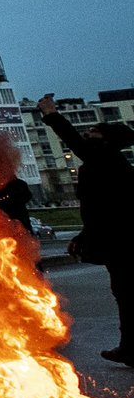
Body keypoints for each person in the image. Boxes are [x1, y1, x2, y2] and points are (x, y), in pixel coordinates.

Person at [39, 95, 132, 365]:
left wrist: (51, 113)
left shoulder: (106, 161)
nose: (87, 133)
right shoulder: (104, 164)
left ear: (105, 141)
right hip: (119, 241)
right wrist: (83, 235)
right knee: (125, 295)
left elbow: (74, 141)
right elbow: (101, 212)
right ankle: (129, 347)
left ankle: (130, 347)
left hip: (125, 243)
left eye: (93, 131)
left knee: (127, 295)